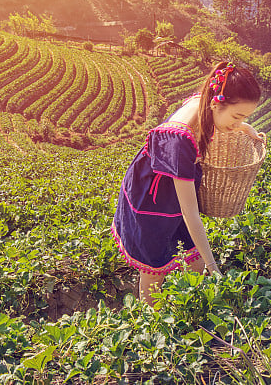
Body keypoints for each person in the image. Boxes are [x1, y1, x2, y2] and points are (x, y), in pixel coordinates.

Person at [111, 61, 262, 305]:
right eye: (237, 116)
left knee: (195, 260)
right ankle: (150, 322)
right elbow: (190, 213)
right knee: (154, 269)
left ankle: (188, 309)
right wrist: (215, 267)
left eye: (244, 116)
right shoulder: (179, 140)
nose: (238, 122)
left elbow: (222, 118)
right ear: (216, 104)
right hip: (150, 201)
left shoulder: (207, 102)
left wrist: (245, 127)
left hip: (173, 189)